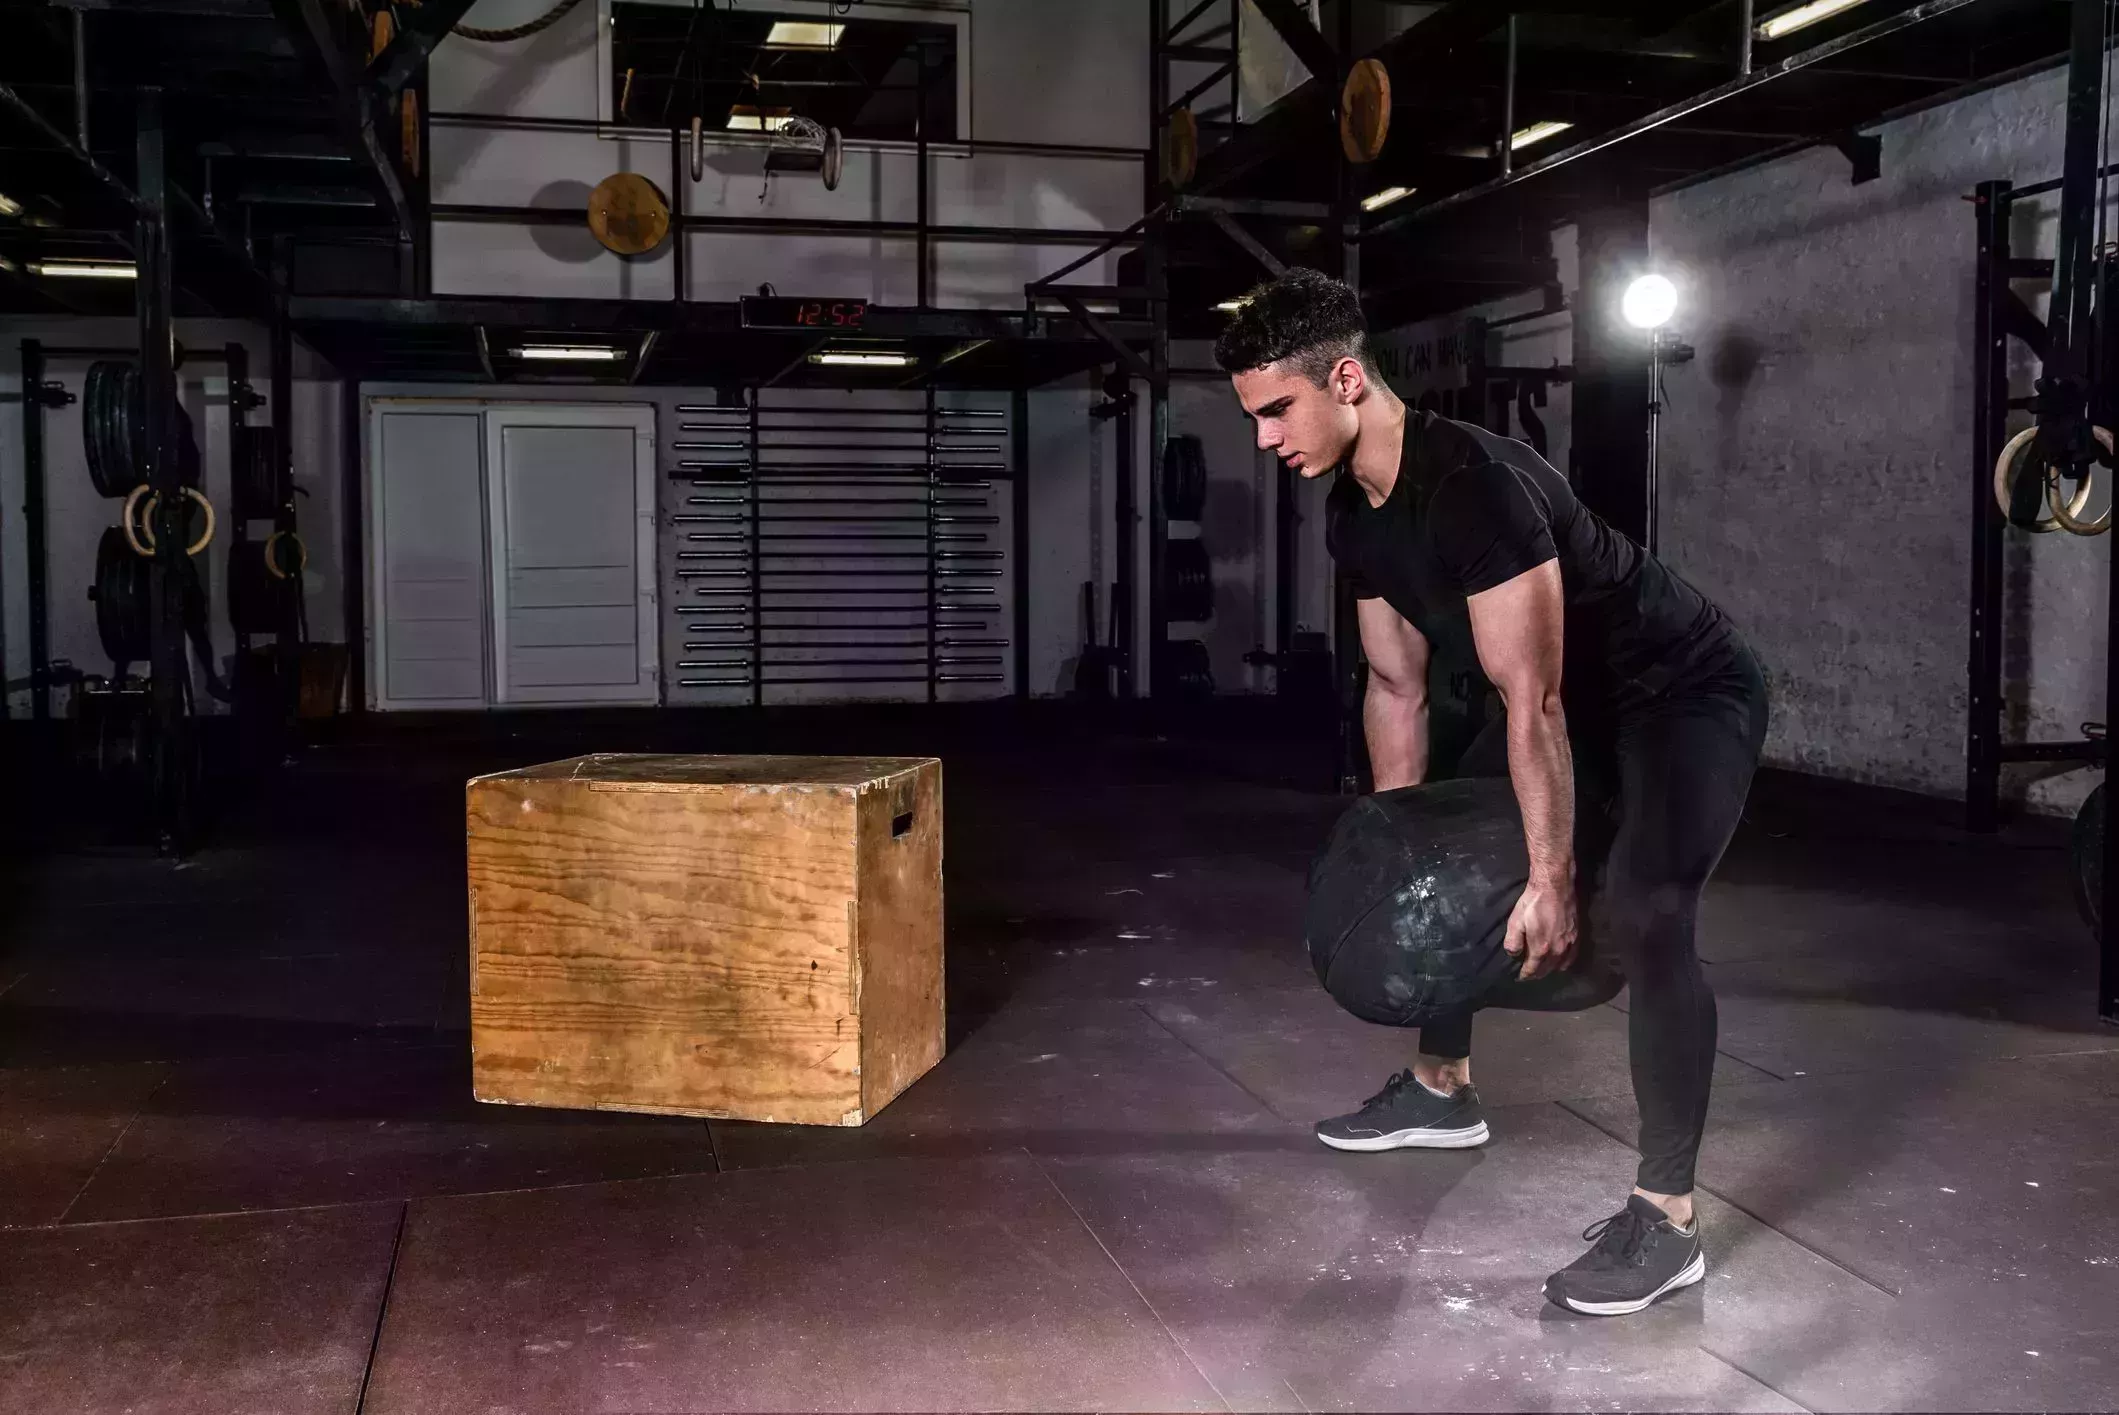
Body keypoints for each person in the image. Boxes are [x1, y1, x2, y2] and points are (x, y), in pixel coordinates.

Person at [1217, 268, 1768, 1317]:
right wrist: (1402, 845)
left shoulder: (1471, 484)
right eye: (1253, 416)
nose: (1264, 438)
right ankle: (1440, 1088)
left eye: (1276, 410)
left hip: (1677, 695)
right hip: (1564, 705)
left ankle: (1668, 1216)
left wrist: (1553, 877)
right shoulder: (1355, 515)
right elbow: (1395, 683)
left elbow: (1536, 703)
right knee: (1443, 861)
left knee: (1647, 910)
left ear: (1343, 378)